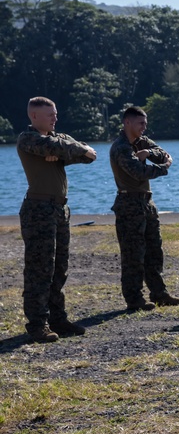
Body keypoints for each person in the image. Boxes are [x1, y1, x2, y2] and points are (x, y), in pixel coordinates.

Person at [16, 97, 96, 343]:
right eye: (49, 115)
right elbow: (63, 149)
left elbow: (89, 154)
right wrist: (64, 149)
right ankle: (38, 324)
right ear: (34, 117)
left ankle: (58, 319)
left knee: (60, 267)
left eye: (56, 114)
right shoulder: (27, 139)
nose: (55, 118)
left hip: (59, 210)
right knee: (40, 269)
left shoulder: (54, 138)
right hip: (38, 209)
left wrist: (65, 148)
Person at [109, 106, 179, 311]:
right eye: (140, 123)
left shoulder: (140, 142)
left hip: (146, 203)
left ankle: (159, 293)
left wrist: (149, 152)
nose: (144, 127)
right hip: (129, 204)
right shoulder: (121, 147)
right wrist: (164, 167)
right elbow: (139, 172)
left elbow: (163, 153)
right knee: (133, 254)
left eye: (145, 123)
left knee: (154, 250)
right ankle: (134, 299)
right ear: (127, 123)